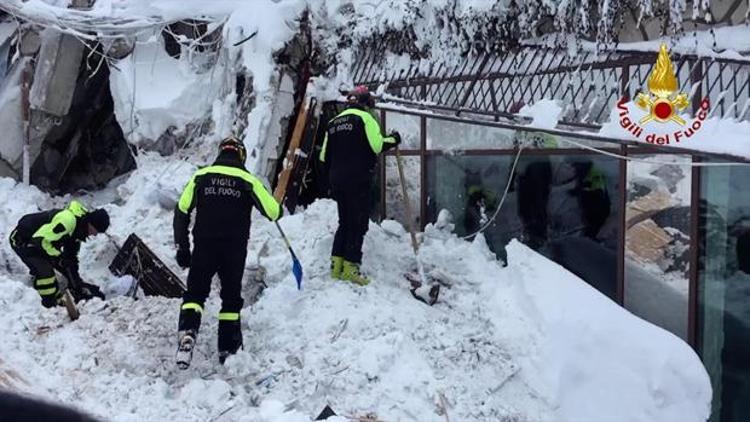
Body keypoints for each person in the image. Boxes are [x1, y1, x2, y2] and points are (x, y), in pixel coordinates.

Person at [173, 136, 281, 367]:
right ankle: (228, 350)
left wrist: (182, 246)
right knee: (231, 299)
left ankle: (187, 334)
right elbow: (273, 211)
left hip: (205, 244)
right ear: (241, 155)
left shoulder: (201, 177)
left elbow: (181, 210)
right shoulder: (247, 179)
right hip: (234, 249)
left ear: (220, 153)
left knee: (195, 294)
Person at [318, 86, 401, 285]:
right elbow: (378, 145)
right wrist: (394, 139)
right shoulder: (365, 118)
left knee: (344, 221)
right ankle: (351, 268)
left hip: (337, 179)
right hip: (358, 178)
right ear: (366, 103)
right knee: (358, 223)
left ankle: (336, 266)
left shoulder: (333, 123)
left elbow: (323, 157)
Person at [8, 200, 109, 307]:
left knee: (64, 265)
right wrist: (59, 257)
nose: (95, 234)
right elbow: (40, 240)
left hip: (42, 242)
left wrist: (77, 285)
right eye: (95, 230)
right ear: (90, 223)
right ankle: (50, 302)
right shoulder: (68, 221)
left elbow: (70, 258)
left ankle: (40, 275)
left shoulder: (79, 230)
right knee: (46, 272)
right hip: (23, 241)